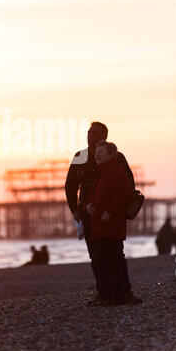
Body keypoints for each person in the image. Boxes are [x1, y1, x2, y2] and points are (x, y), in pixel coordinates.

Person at [65, 121, 139, 303]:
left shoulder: (115, 156)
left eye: (95, 133)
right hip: (87, 213)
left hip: (110, 215)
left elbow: (128, 183)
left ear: (104, 137)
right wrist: (75, 210)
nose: (90, 135)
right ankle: (104, 292)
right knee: (95, 256)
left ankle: (123, 292)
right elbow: (70, 185)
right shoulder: (80, 156)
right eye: (89, 132)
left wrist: (115, 209)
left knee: (116, 254)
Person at [85, 141, 140, 306]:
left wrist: (109, 212)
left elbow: (122, 195)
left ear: (111, 155)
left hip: (110, 226)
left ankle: (108, 296)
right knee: (112, 260)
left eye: (101, 152)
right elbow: (96, 197)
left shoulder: (115, 172)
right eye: (96, 152)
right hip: (101, 226)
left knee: (101, 259)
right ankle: (118, 296)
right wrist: (88, 206)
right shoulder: (102, 174)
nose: (97, 154)